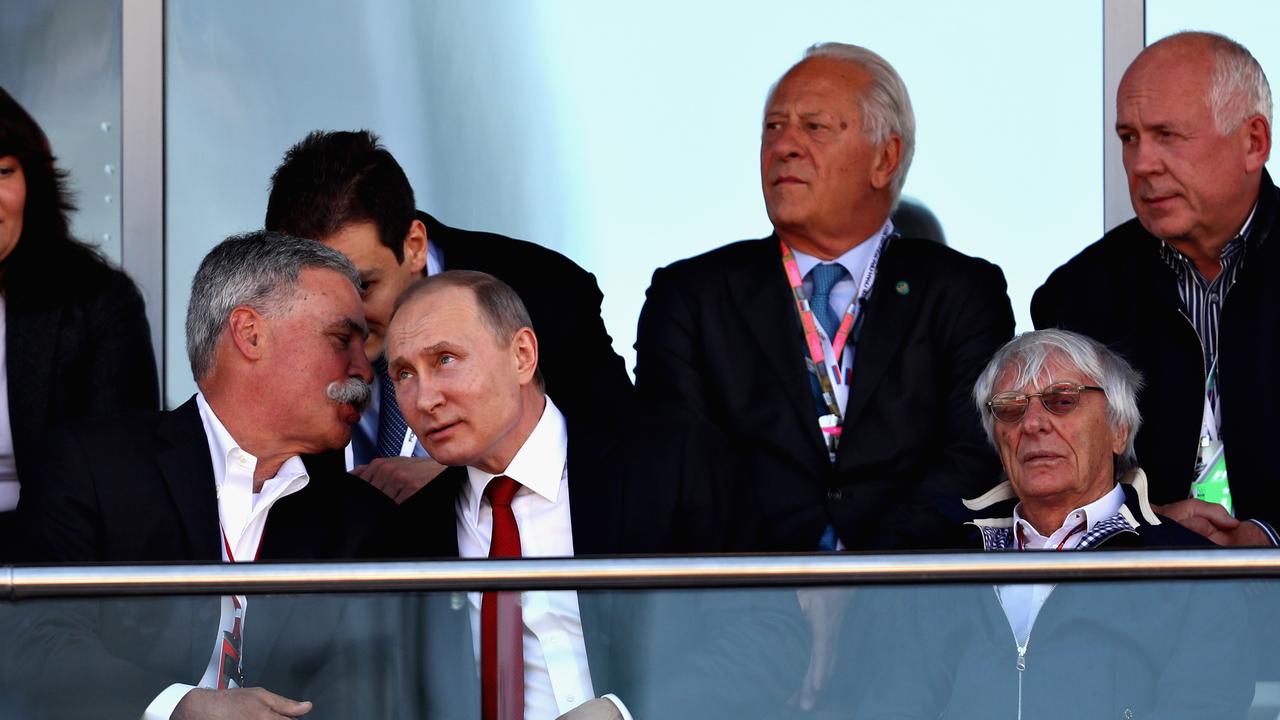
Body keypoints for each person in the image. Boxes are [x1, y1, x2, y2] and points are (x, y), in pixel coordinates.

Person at [635, 42, 1014, 554]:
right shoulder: (691, 296)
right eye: (773, 127)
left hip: (913, 597)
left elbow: (975, 455)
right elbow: (679, 464)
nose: (784, 146)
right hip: (743, 602)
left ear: (885, 158)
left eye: (813, 127)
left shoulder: (961, 292)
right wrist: (784, 585)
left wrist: (866, 579)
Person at [10, 232, 401, 719]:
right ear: (249, 333)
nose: (364, 370)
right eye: (342, 339)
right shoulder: (92, 466)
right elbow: (29, 641)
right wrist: (179, 707)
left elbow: (368, 695)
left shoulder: (364, 520)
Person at [386, 270, 805, 720]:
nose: (424, 397)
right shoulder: (411, 529)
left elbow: (770, 639)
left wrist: (624, 713)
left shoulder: (667, 463)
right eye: (404, 374)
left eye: (445, 359)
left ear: (522, 355)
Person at [853, 329, 1254, 719]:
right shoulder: (941, 563)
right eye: (1010, 407)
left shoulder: (1196, 574)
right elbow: (890, 705)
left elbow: (1206, 708)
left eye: (1061, 400)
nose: (1032, 424)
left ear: (1119, 429)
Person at [264, 130, 632, 505]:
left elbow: (622, 439)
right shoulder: (268, 323)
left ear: (415, 246)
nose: (344, 318)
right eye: (316, 299)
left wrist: (460, 474)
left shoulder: (545, 293)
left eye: (363, 286)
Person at [1033, 31, 1278, 546]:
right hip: (1142, 599)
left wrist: (1269, 538)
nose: (1142, 164)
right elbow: (1049, 485)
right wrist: (1146, 528)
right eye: (1129, 138)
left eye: (1167, 135)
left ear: (1253, 141)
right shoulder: (1078, 296)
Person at [0, 87, 158, 558]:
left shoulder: (97, 304)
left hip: (55, 568)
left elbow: (122, 477)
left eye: (3, 171)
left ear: (34, 183)